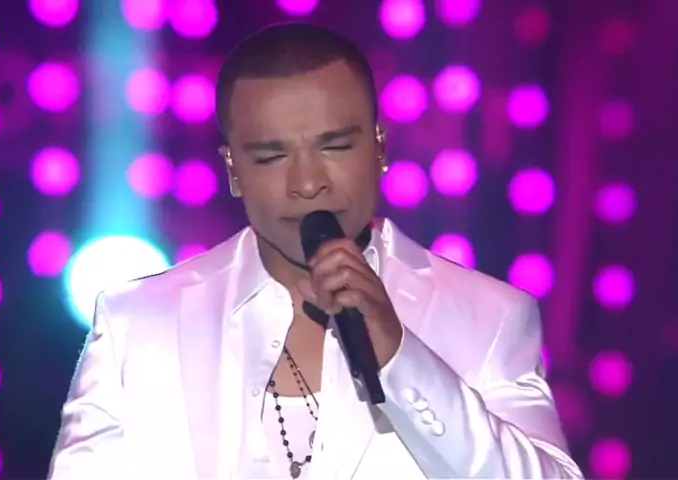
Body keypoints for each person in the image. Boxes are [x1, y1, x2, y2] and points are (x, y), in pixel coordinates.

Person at [48, 23, 583, 480]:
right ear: (233, 169)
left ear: (379, 146)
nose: (307, 184)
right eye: (271, 157)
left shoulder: (488, 317)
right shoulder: (138, 323)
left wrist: (400, 355)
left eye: (335, 146)